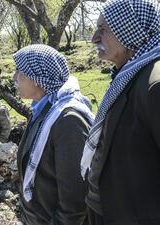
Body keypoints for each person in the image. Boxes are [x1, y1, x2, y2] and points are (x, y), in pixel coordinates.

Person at [80, 1, 160, 224]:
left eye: (103, 30)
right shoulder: (127, 75)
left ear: (131, 30)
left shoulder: (154, 83)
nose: (94, 38)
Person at [13, 44, 94, 225]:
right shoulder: (43, 111)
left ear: (37, 79)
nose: (14, 78)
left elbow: (74, 201)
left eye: (20, 72)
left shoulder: (68, 120)